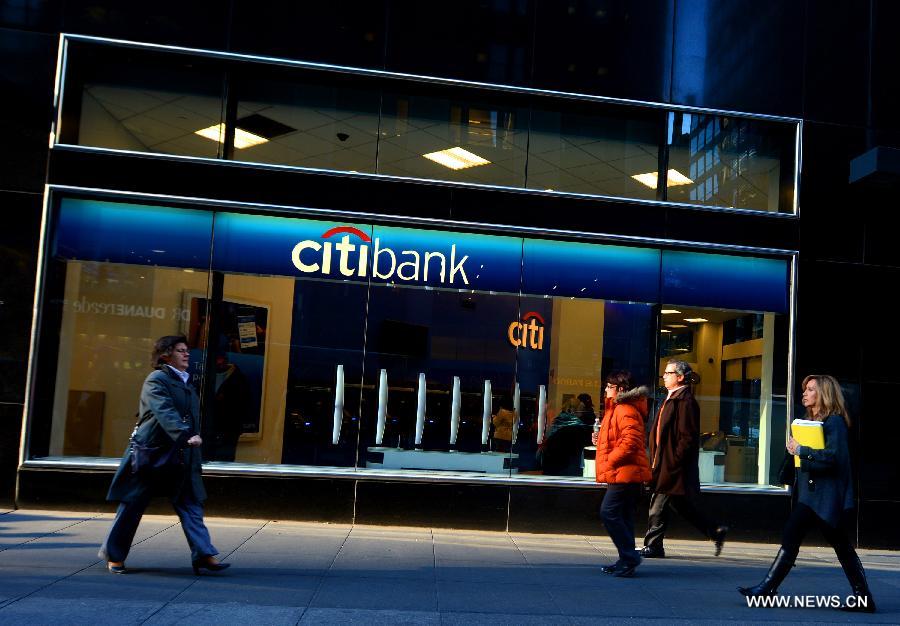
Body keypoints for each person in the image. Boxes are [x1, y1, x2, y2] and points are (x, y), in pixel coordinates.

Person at [738, 375, 875, 612]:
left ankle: (864, 598)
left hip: (828, 497)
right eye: (805, 389)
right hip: (811, 496)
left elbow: (834, 459)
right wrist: (795, 451)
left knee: (841, 545)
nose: (804, 393)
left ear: (823, 394)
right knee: (793, 536)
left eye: (810, 389)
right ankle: (767, 589)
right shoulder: (808, 421)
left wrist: (802, 450)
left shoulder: (835, 423)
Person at [98, 335, 230, 576]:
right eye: (180, 350)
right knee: (132, 505)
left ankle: (204, 554)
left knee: (191, 504)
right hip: (153, 455)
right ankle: (114, 555)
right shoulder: (157, 380)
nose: (186, 354)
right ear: (166, 355)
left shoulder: (186, 383)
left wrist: (192, 441)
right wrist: (184, 434)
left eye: (186, 350)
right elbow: (164, 411)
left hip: (181, 456)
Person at [641, 359, 728, 558]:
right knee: (680, 505)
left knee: (658, 503)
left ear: (680, 377)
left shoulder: (685, 402)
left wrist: (673, 461)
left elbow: (687, 437)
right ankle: (715, 531)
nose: (664, 376)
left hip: (671, 464)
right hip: (664, 461)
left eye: (668, 373)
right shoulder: (671, 398)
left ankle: (653, 545)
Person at [592, 371, 652, 577]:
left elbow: (631, 442)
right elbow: (619, 438)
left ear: (621, 389)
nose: (606, 389)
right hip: (623, 473)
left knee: (608, 512)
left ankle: (629, 557)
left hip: (625, 473)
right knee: (623, 516)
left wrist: (611, 460)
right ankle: (626, 559)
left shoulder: (625, 409)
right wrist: (599, 439)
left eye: (609, 385)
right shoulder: (617, 409)